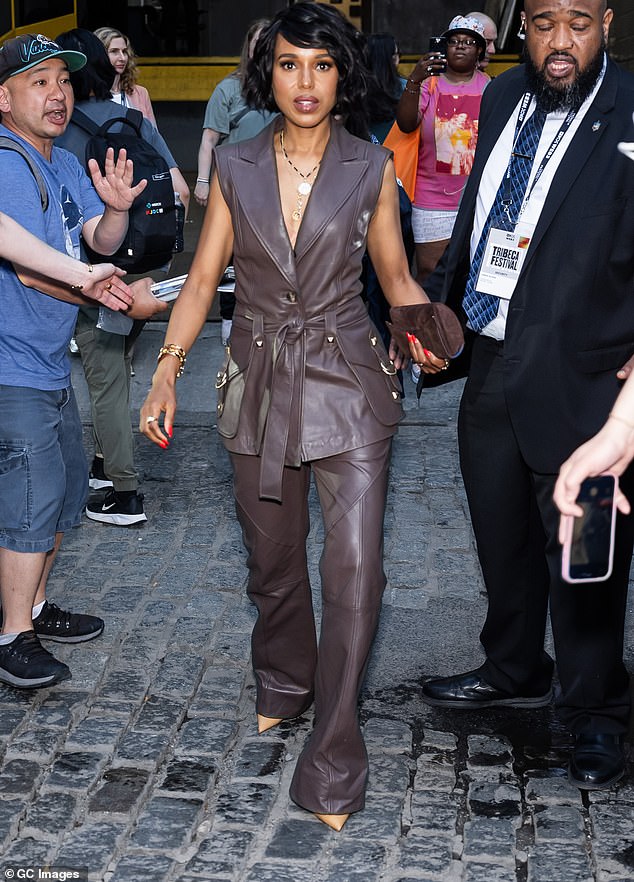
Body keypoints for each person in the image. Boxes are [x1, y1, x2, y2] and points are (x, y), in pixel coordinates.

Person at [140, 2, 442, 830]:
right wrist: (166, 371)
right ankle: (283, 678)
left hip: (349, 380)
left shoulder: (372, 166)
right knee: (273, 569)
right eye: (288, 65)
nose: (305, 82)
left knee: (354, 571)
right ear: (265, 74)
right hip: (259, 382)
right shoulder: (234, 165)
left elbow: (396, 279)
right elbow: (202, 281)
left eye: (321, 65)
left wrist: (428, 327)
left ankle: (336, 753)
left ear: (342, 75)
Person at [415, 0, 634, 792]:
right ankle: (514, 668)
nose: (561, 41)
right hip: (494, 359)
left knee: (587, 560)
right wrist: (439, 305)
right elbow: (479, 211)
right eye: (544, 23)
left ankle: (596, 715)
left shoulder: (629, 110)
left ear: (606, 21)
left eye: (579, 22)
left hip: (593, 383)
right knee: (501, 531)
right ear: (523, 27)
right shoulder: (504, 96)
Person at [0, 33, 148, 689]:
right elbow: (32, 271)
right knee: (31, 502)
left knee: (59, 497)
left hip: (47, 364)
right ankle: (11, 634)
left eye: (63, 80)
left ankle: (30, 606)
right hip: (11, 370)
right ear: (2, 98)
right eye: (39, 81)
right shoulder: (5, 161)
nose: (58, 93)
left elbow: (97, 237)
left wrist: (115, 211)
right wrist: (95, 283)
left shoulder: (58, 162)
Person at [55, 28, 177, 526]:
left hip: (95, 273)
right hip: (147, 264)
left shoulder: (62, 134)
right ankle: (106, 466)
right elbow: (177, 186)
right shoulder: (134, 117)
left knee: (105, 382)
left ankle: (122, 493)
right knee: (118, 370)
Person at [193, 18, 277, 346]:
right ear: (249, 47)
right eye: (259, 41)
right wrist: (202, 181)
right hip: (234, 187)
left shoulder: (287, 86)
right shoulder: (228, 88)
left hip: (275, 189)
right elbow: (209, 139)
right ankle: (230, 322)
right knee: (228, 256)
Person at [395, 15, 490, 286]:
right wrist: (414, 79)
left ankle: (459, 328)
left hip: (476, 199)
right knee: (429, 274)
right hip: (432, 200)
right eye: (454, 41)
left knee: (470, 277)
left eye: (469, 42)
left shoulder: (490, 87)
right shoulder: (430, 85)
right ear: (444, 47)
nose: (460, 46)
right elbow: (405, 124)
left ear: (480, 50)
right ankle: (432, 328)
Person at [94, 26, 157, 125]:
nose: (122, 58)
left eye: (124, 51)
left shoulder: (140, 93)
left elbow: (153, 136)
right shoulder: (89, 96)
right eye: (114, 51)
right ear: (99, 55)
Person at [366, 32, 405, 144]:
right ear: (392, 59)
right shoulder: (407, 89)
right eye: (398, 55)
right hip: (398, 157)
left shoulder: (355, 88)